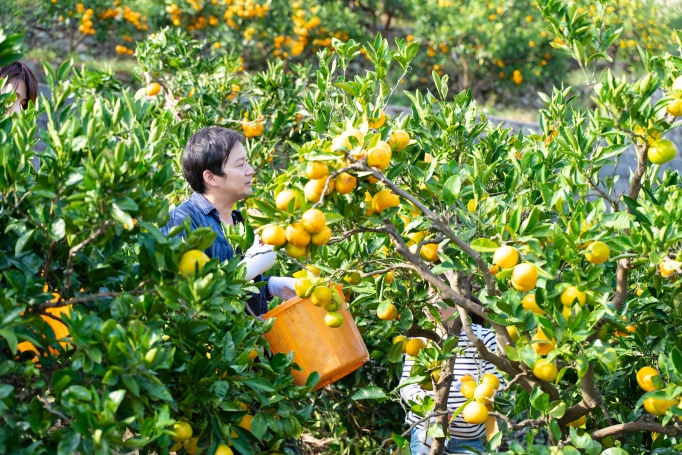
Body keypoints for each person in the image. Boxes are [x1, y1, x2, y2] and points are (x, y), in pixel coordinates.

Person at [161, 126, 297, 315]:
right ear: (211, 178)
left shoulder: (241, 222)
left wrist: (273, 287)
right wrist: (249, 267)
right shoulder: (181, 221)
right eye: (240, 164)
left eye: (247, 162)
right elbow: (183, 301)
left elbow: (241, 294)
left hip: (253, 342)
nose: (250, 171)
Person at [400, 303, 503, 455]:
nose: (428, 304)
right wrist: (430, 407)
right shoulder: (419, 341)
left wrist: (479, 390)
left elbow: (499, 384)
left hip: (467, 439)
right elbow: (406, 385)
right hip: (427, 433)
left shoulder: (483, 338)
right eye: (426, 298)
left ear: (455, 298)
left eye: (435, 296)